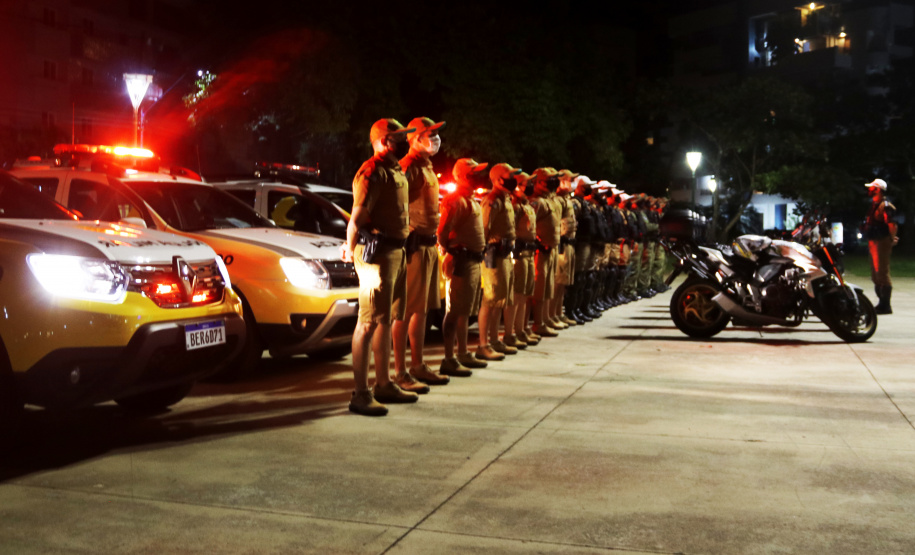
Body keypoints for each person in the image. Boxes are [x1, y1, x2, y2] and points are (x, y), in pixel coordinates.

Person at [342, 118, 419, 416]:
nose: (402, 143)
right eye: (398, 138)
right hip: (377, 255)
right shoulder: (372, 173)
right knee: (368, 321)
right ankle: (360, 394)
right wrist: (350, 251)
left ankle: (383, 384)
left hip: (396, 253)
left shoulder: (394, 171)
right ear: (384, 141)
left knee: (386, 319)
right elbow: (357, 218)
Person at [392, 117, 451, 391]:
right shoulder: (409, 167)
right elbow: (394, 206)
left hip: (428, 247)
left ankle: (417, 364)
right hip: (413, 248)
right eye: (430, 134)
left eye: (437, 135)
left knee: (422, 310)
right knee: (404, 310)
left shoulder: (426, 168)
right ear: (414, 138)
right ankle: (400, 371)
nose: (435, 140)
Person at [438, 158, 489, 375]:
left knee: (465, 310)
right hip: (461, 261)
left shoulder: (471, 199)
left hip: (473, 261)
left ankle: (462, 353)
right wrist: (450, 252)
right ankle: (449, 358)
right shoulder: (455, 200)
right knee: (454, 309)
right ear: (461, 176)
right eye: (473, 173)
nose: (477, 176)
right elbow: (442, 231)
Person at [478, 163, 522, 359]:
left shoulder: (506, 199)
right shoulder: (492, 201)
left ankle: (495, 340)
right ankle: (483, 344)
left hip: (505, 255)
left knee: (500, 300)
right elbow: (484, 229)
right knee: (490, 300)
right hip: (493, 256)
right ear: (497, 180)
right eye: (509, 176)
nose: (513, 180)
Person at [504, 172, 540, 349]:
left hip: (528, 253)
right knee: (516, 295)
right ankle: (510, 333)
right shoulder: (515, 205)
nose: (529, 187)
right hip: (518, 254)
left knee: (524, 295)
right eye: (526, 184)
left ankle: (520, 329)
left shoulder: (527, 205)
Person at [529, 167, 563, 337]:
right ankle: (537, 323)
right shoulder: (537, 202)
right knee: (540, 288)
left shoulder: (552, 201)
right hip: (541, 251)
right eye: (550, 179)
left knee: (549, 286)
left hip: (552, 249)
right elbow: (527, 226)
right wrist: (538, 243)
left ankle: (546, 318)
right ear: (538, 181)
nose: (554, 183)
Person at [863, 178, 898, 314]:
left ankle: (885, 305)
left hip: (881, 241)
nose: (869, 190)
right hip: (874, 241)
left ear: (878, 189)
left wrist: (891, 238)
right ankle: (881, 303)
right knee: (875, 274)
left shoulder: (886, 205)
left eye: (872, 188)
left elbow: (892, 224)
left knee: (882, 272)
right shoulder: (875, 205)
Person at [553, 169, 579, 327]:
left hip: (569, 244)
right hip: (561, 245)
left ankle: (558, 314)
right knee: (556, 284)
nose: (571, 183)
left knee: (563, 284)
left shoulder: (567, 199)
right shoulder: (557, 200)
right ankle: (552, 316)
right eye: (569, 180)